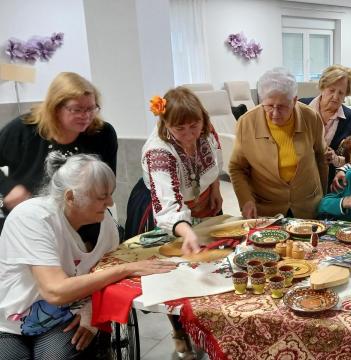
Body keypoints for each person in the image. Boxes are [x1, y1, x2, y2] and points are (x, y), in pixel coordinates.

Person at [0, 153, 175, 359]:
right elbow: (55, 291)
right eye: (102, 197)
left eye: (110, 194)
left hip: (61, 320)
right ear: (70, 197)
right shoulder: (33, 218)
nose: (110, 203)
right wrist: (124, 269)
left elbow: (106, 278)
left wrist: (92, 309)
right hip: (7, 324)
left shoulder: (106, 225)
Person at [0, 72, 117, 234]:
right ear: (55, 108)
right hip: (34, 225)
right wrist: (8, 187)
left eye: (91, 108)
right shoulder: (23, 130)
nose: (86, 116)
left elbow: (107, 183)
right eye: (77, 110)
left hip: (85, 224)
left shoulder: (102, 134)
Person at [229, 68, 327, 219]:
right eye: (269, 106)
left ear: (294, 100)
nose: (274, 113)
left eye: (282, 106)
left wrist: (324, 198)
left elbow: (321, 158)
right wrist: (246, 200)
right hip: (267, 207)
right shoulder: (246, 123)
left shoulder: (310, 117)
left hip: (307, 205)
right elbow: (237, 167)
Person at [141, 87, 224, 255]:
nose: (189, 134)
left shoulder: (205, 128)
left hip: (204, 198)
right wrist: (188, 233)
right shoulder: (159, 153)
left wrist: (215, 187)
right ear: (166, 124)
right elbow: (168, 207)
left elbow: (215, 156)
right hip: (165, 203)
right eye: (179, 129)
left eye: (194, 126)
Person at [299, 65, 351, 185]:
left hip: (332, 181)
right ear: (322, 87)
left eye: (341, 93)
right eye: (331, 90)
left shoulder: (349, 118)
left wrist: (335, 159)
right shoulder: (301, 107)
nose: (336, 97)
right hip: (301, 177)